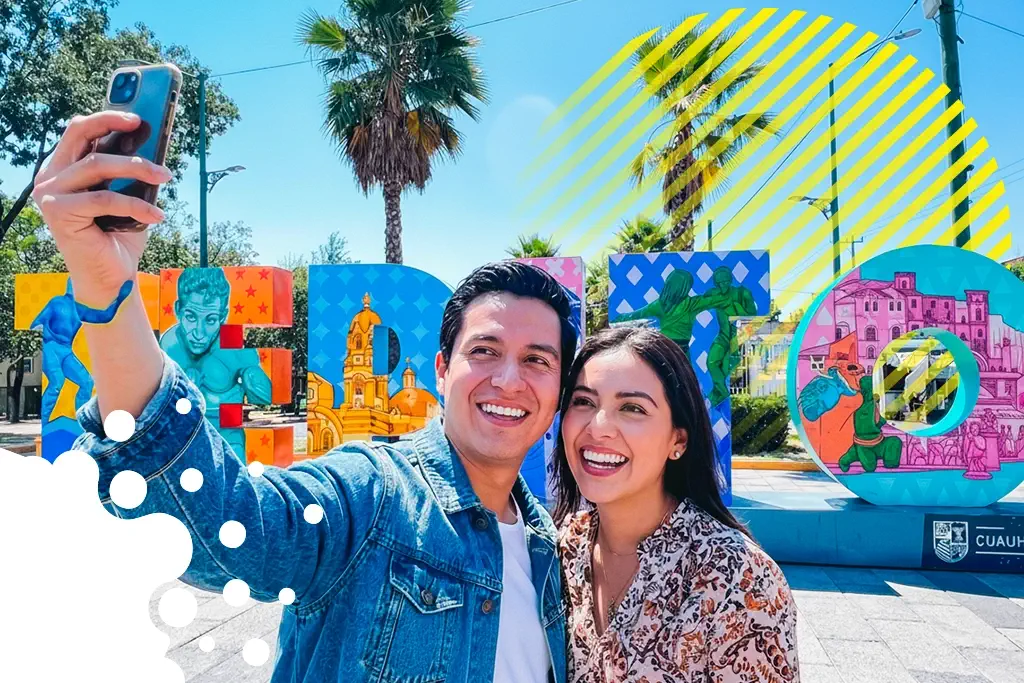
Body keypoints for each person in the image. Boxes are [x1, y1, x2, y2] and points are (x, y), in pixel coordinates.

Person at [33, 110, 579, 683]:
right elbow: (234, 524)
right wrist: (105, 286)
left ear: (558, 390)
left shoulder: (547, 548)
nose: (509, 380)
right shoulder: (371, 499)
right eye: (485, 351)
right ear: (442, 371)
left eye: (537, 360)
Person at [551, 327, 798, 683]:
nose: (598, 427)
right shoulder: (560, 548)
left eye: (632, 408)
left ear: (678, 440)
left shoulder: (737, 577)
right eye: (584, 402)